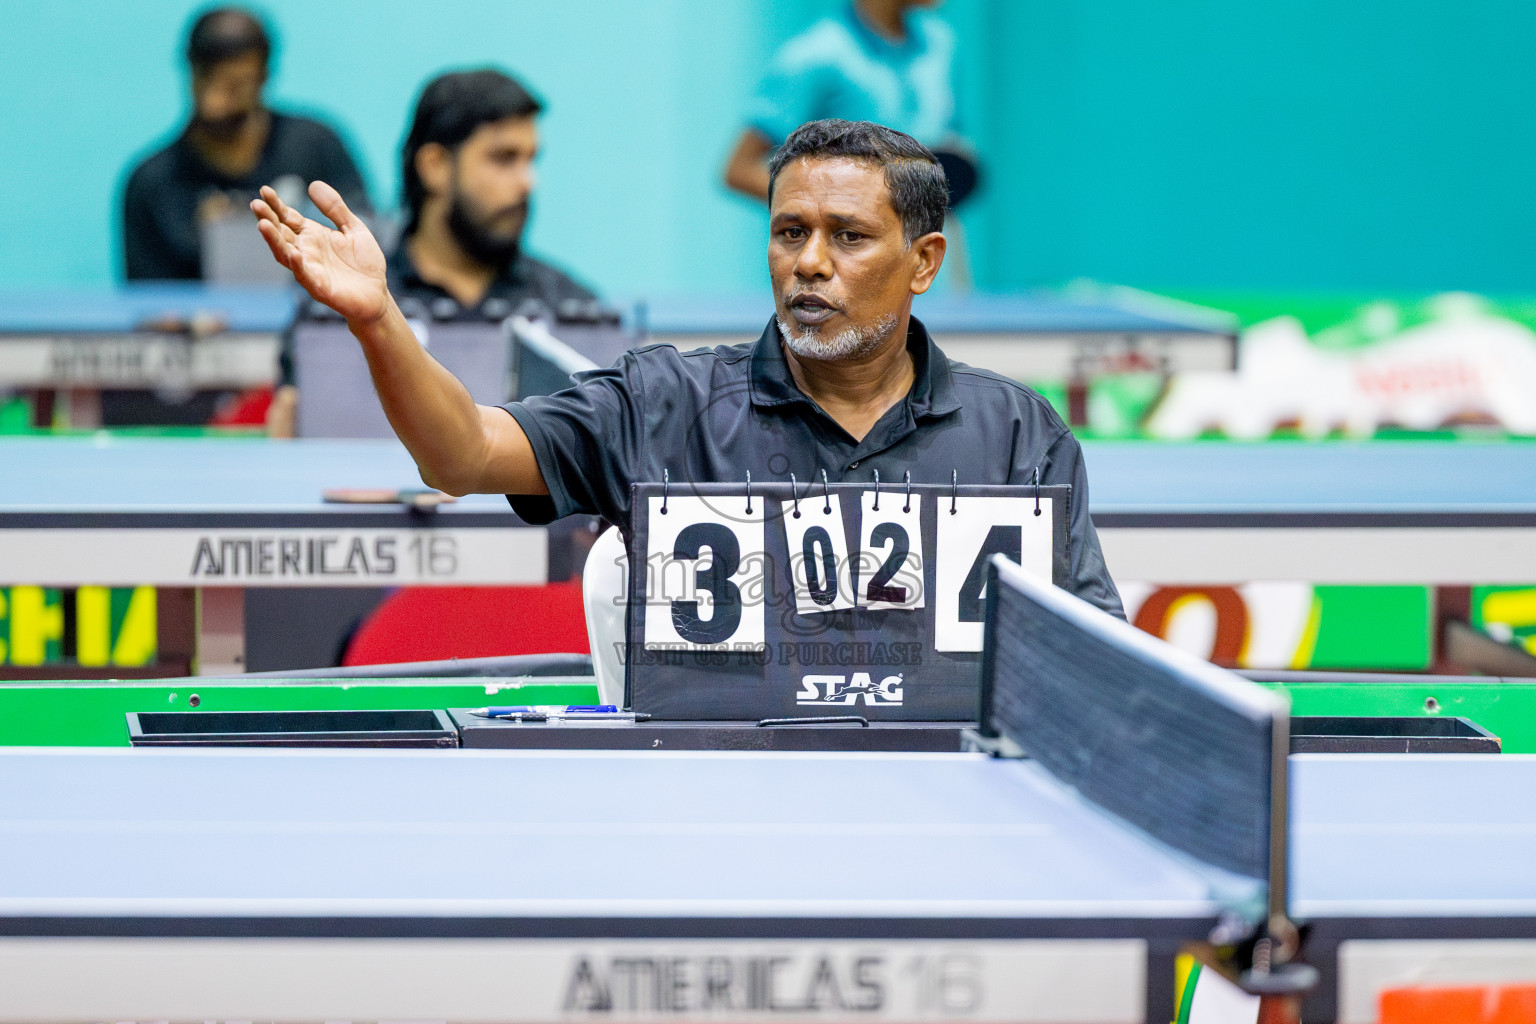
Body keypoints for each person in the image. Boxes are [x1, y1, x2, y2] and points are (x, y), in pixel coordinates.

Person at [251, 119, 1120, 615]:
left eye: (848, 238)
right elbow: (462, 455)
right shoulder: (665, 403)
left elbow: (1091, 656)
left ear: (924, 262)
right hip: (712, 796)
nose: (809, 263)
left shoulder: (1017, 435)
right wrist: (378, 320)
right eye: (790, 233)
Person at [268, 67, 597, 436]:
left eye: (530, 159)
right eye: (504, 158)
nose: (527, 182)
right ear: (435, 166)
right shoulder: (342, 306)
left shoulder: (572, 310)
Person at [122, 7, 371, 280]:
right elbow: (149, 307)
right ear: (190, 72)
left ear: (263, 78)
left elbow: (362, 243)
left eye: (235, 86)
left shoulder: (317, 148)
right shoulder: (153, 184)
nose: (214, 104)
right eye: (207, 80)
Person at [723, 0, 977, 211]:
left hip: (922, 261)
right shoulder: (815, 56)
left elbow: (947, 142)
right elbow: (741, 169)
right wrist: (839, 213)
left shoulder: (941, 45)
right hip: (845, 262)